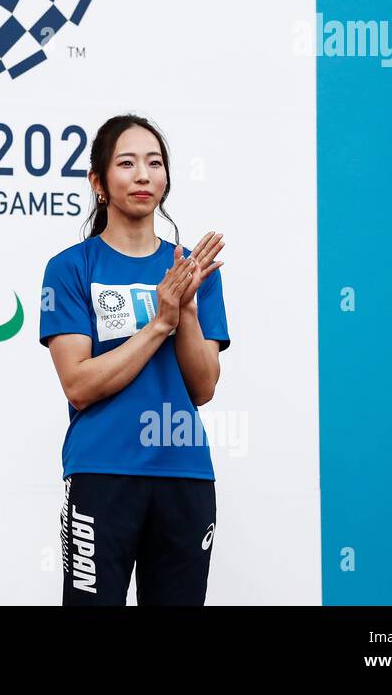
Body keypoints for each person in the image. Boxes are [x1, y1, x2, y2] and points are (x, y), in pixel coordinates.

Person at [39, 113, 230, 605]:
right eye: (127, 163)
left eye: (154, 163)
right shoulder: (69, 269)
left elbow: (204, 387)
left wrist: (186, 308)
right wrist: (160, 322)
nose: (143, 175)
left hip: (184, 473)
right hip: (102, 472)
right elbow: (78, 384)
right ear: (99, 182)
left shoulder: (194, 271)